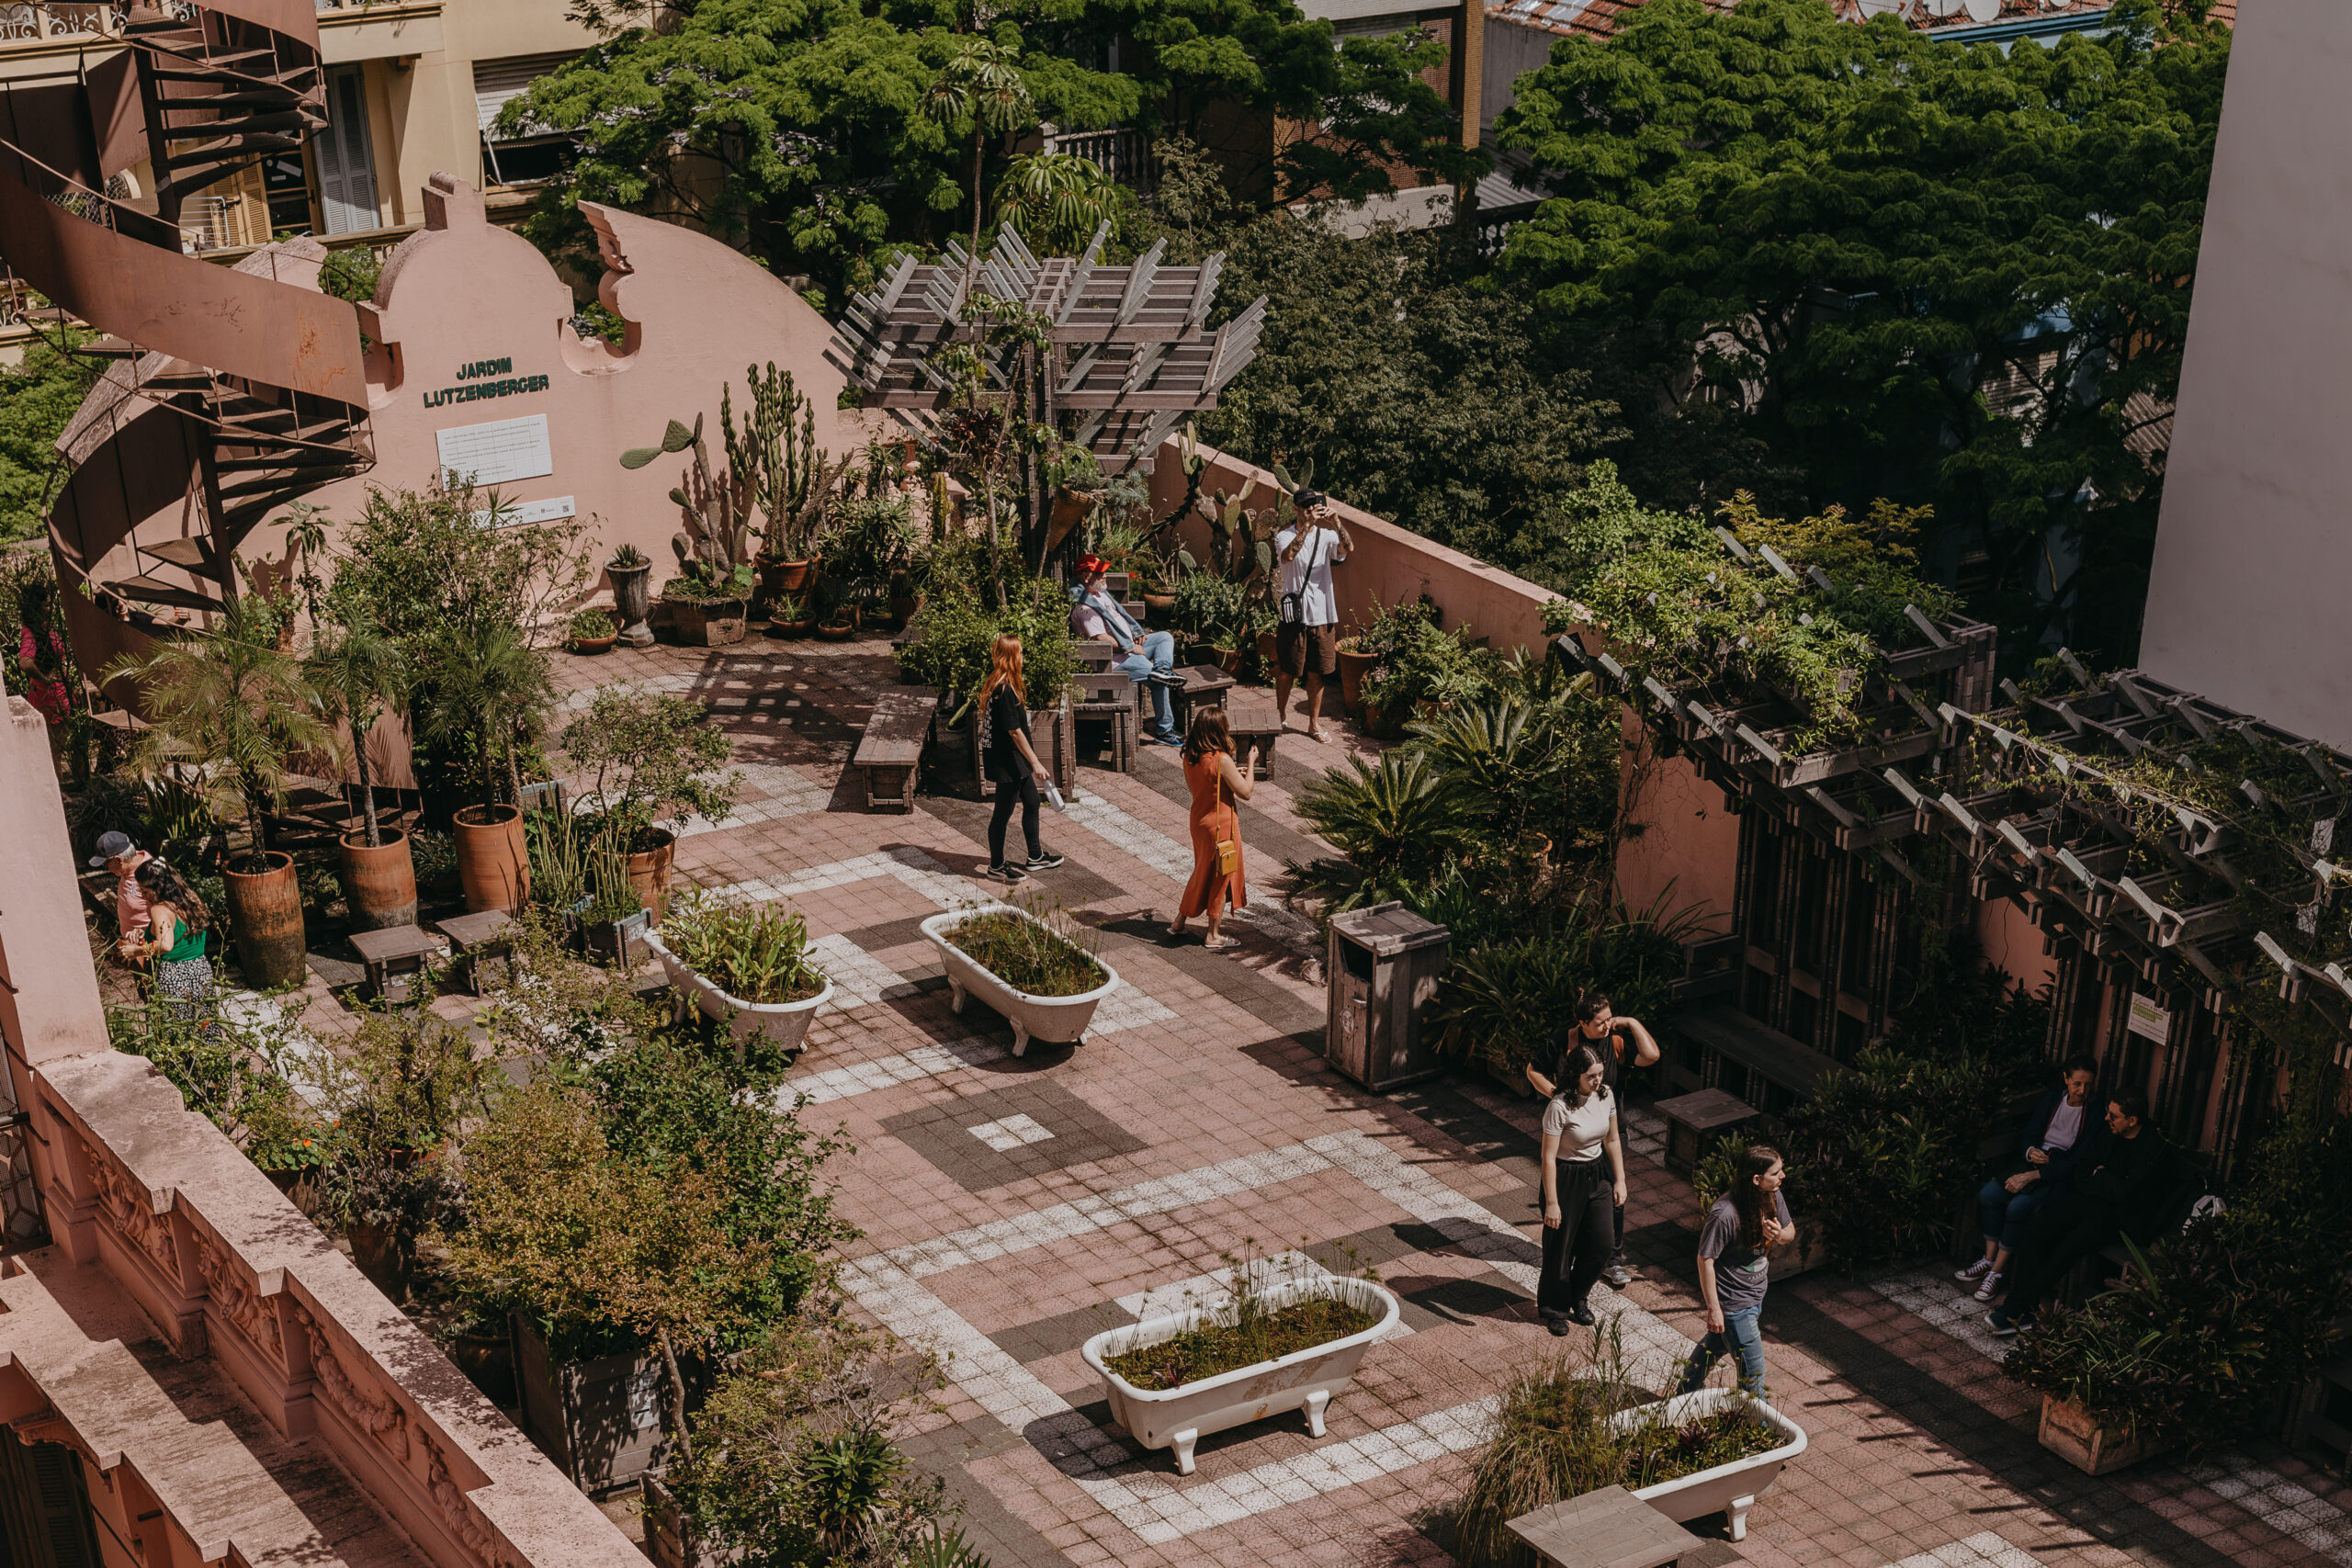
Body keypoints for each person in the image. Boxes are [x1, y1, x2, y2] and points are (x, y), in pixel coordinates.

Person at [1986, 1089, 2174, 1337]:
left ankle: (2014, 1310)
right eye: (2108, 1112)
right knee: (2036, 1230)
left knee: (2068, 1247)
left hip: (2119, 1218)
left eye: (2113, 1116)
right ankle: (2025, 1310)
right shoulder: (2110, 1132)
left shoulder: (2153, 1148)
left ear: (2133, 1121)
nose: (2107, 1118)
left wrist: (2101, 1174)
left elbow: (2126, 1196)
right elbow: (2083, 1172)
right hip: (2088, 1200)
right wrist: (2103, 1177)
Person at [1527, 992, 1660, 1288]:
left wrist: (1633, 1022)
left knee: (1613, 1197)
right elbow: (1533, 1069)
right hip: (1573, 1134)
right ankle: (1574, 1253)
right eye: (1600, 1022)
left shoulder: (1615, 1041)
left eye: (1609, 1019)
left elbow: (1651, 1056)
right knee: (1574, 1198)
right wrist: (1557, 1096)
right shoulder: (1564, 1041)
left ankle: (1612, 1260)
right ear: (1582, 1022)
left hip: (1611, 1130)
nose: (1606, 1026)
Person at [1957, 1055, 2100, 1303]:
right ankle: (1988, 1259)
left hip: (2058, 1177)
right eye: (2077, 1083)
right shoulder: (2052, 1100)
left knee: (2018, 1207)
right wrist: (2030, 1151)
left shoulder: (2096, 1114)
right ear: (2066, 1079)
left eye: (2088, 1084)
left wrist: (2037, 1174)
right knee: (1989, 1194)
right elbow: (2030, 1133)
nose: (2082, 1090)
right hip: (2030, 1163)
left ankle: (1997, 1272)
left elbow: (2079, 1160)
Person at [1678, 1144, 1793, 1395]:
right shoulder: (1725, 1214)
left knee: (1714, 1346)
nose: (1782, 1176)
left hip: (1755, 1295)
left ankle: (1685, 1393)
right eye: (1776, 1173)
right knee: (1754, 1376)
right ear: (1756, 1179)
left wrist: (1780, 1234)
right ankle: (1761, 1428)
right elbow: (1705, 1259)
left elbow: (1789, 1232)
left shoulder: (1773, 1195)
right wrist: (1715, 1310)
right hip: (1735, 1304)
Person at [1537, 1040, 1629, 1334]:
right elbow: (1548, 1158)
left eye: (1600, 1074)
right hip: (1565, 1177)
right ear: (1576, 1074)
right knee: (1560, 1249)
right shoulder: (1559, 1106)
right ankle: (1555, 1309)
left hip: (1597, 1173)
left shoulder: (1606, 1096)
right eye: (1591, 1076)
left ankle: (1577, 1296)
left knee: (1602, 1245)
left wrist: (1620, 1180)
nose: (1597, 1080)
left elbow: (1612, 1140)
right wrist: (1552, 1201)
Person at [1070, 556, 1184, 745]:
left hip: (1129, 649)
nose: (1104, 576)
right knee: (1158, 682)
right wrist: (1131, 647)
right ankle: (1164, 732)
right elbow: (1102, 640)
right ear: (1085, 576)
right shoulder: (1084, 609)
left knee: (1165, 637)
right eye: (1099, 573)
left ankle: (1163, 670)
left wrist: (1133, 636)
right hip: (1113, 661)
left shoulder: (1099, 595)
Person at [978, 634, 1064, 883]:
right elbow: (1014, 731)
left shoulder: (1004, 683)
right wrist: (1035, 762)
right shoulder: (1004, 690)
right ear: (1012, 657)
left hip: (1015, 760)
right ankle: (996, 866)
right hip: (1008, 762)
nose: (1024, 657)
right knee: (1002, 813)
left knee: (1032, 801)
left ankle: (1035, 857)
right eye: (1021, 653)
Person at [1272, 490, 1354, 743]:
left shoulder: (1327, 535)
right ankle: (1280, 714)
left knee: (1318, 672)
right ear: (1296, 508)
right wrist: (1306, 527)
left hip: (1322, 614)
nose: (1311, 509)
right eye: (1306, 506)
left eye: (1314, 505)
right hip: (1294, 616)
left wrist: (1337, 522)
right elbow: (1288, 555)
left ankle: (1313, 725)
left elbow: (1348, 547)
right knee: (1287, 669)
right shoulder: (1284, 536)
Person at [1169, 707, 1253, 950]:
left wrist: (1230, 774)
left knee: (1201, 872)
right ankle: (1213, 935)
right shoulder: (1221, 759)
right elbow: (1246, 792)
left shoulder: (1189, 754)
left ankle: (1179, 921)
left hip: (1199, 821)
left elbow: (1206, 783)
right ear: (1218, 730)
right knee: (1221, 876)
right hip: (1222, 827)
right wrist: (1250, 762)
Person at [125, 859, 215, 1022]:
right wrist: (144, 932)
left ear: (158, 888)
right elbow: (176, 928)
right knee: (202, 1024)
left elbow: (166, 944)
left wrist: (135, 951)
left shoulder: (159, 909)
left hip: (174, 975)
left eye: (145, 891)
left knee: (173, 1027)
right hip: (201, 969)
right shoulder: (191, 898)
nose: (144, 897)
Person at [88, 830, 153, 963]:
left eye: (105, 864)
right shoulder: (128, 869)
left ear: (119, 860)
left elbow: (168, 912)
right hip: (131, 944)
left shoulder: (150, 875)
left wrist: (143, 930)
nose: (106, 869)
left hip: (147, 946)